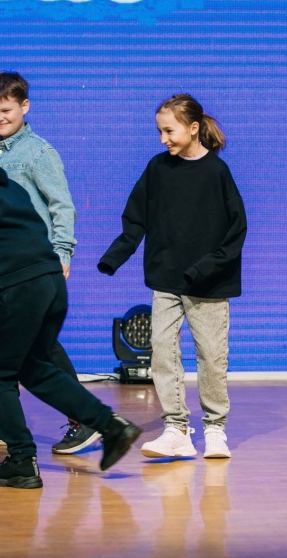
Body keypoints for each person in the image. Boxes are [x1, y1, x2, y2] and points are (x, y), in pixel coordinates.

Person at [0, 113, 140, 488]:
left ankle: (22, 461)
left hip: (14, 290)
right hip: (50, 284)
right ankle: (111, 426)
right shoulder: (5, 184)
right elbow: (21, 234)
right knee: (34, 368)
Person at [98, 94, 247, 459]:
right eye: (160, 132)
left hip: (208, 284)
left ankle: (215, 428)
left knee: (211, 356)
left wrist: (205, 268)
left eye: (169, 131)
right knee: (163, 352)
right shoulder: (157, 168)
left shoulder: (216, 172)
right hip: (166, 279)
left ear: (193, 128)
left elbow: (236, 229)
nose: (163, 139)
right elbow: (136, 216)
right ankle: (176, 428)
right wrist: (115, 256)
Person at [0, 71, 100, 455]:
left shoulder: (38, 153)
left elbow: (61, 206)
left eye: (6, 110)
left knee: (41, 346)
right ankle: (7, 422)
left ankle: (85, 419)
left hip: (32, 267)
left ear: (25, 106)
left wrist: (62, 253)